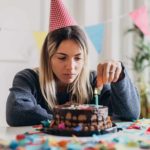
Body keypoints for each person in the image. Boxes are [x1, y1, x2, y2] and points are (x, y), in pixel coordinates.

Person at [6, 0, 140, 126]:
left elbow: (130, 114)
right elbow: (16, 111)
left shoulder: (93, 81)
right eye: (62, 58)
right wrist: (72, 121)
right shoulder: (29, 79)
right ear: (48, 57)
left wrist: (120, 77)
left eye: (77, 58)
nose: (71, 67)